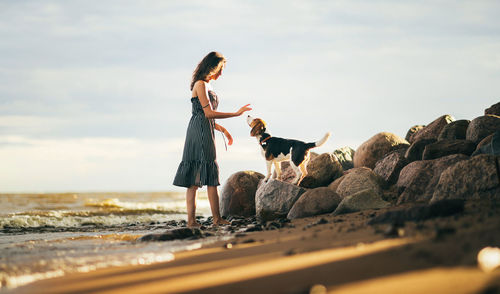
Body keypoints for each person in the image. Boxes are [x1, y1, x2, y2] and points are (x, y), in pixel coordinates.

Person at [173, 51, 252, 227]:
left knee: (205, 174)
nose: (221, 73)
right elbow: (207, 114)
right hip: (199, 132)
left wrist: (222, 129)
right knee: (199, 176)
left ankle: (208, 220)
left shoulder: (207, 85)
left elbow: (203, 116)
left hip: (203, 128)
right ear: (212, 67)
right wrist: (236, 113)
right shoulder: (200, 84)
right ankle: (203, 220)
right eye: (220, 69)